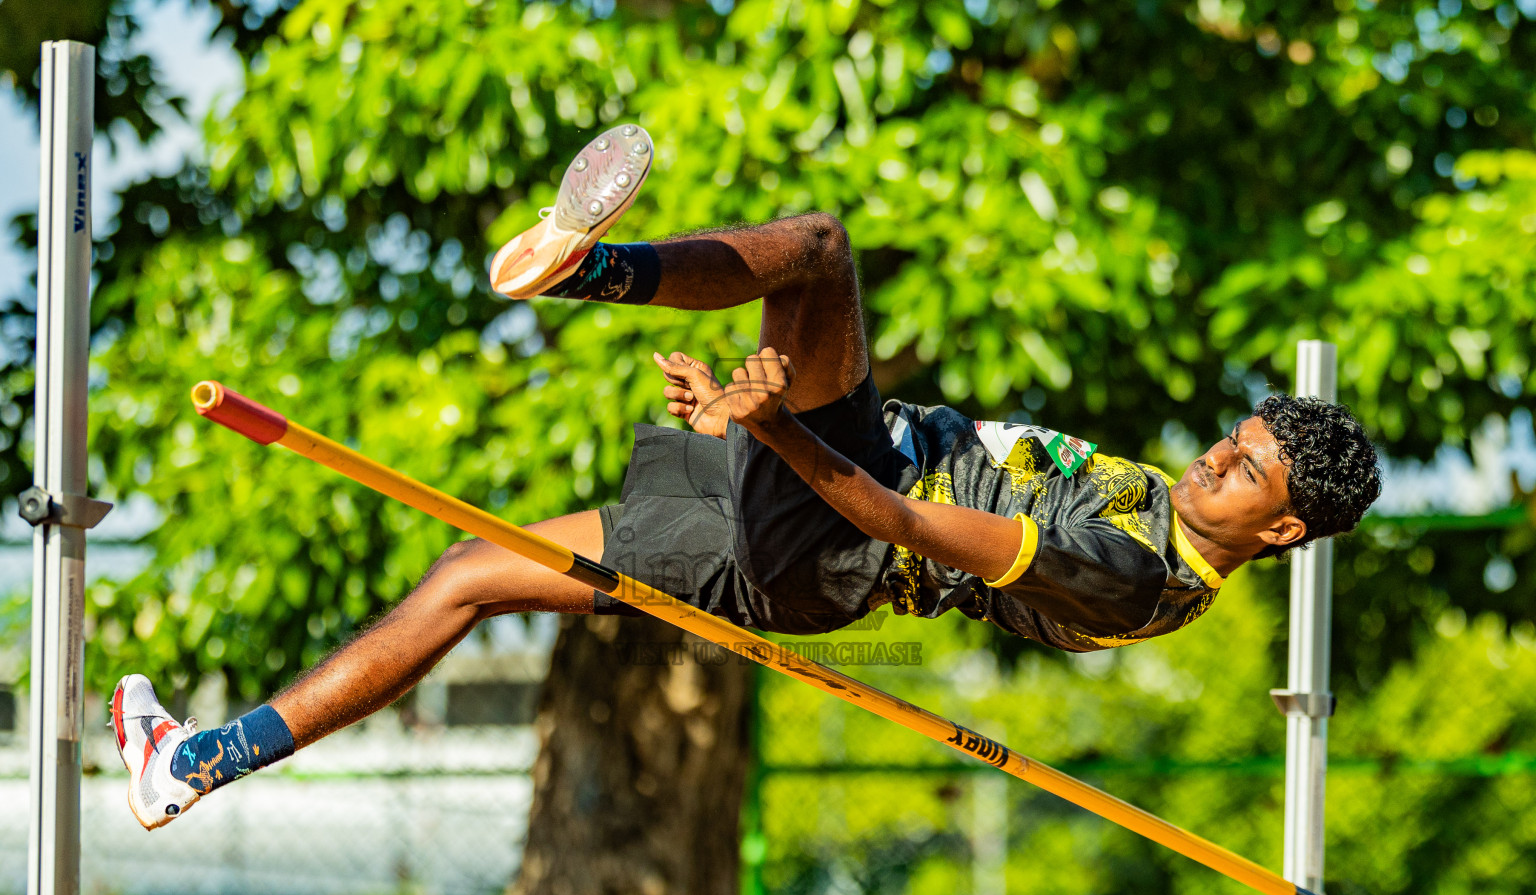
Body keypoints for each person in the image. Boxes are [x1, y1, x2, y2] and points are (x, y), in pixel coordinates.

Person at [111, 124, 1382, 830]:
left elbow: (901, 518)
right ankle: (197, 762)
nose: (1214, 457)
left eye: (1245, 471)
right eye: (1233, 438)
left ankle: (587, 270)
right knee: (468, 573)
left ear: (1281, 531)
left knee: (819, 251)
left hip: (841, 531)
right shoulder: (1165, 507)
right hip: (805, 512)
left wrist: (767, 426)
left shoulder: (1134, 571)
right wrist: (760, 430)